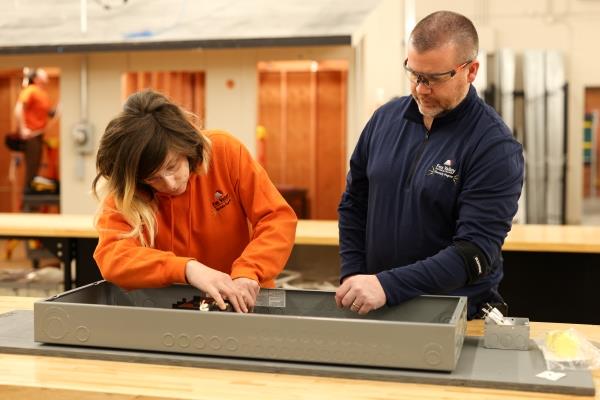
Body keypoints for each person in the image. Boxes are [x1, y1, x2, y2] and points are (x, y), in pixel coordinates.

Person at [335, 11, 524, 319]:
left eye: (435, 79)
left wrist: (387, 284)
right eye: (414, 74)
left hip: (451, 314)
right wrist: (354, 275)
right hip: (377, 305)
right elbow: (354, 204)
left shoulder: (494, 146)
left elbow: (473, 253)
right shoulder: (384, 120)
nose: (421, 89)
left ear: (471, 70)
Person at [92, 90, 297, 313]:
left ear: (186, 146)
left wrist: (250, 270)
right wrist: (187, 269)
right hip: (173, 310)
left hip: (245, 302)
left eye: (172, 166)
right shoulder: (130, 187)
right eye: (153, 177)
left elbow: (276, 218)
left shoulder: (224, 151)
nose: (169, 184)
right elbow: (113, 256)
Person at [14, 67, 57, 192]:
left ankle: (31, 198)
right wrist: (23, 129)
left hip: (39, 136)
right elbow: (18, 109)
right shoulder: (30, 90)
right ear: (36, 78)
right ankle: (29, 202)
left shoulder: (43, 93)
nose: (46, 76)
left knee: (36, 167)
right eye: (43, 74)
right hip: (31, 136)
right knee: (31, 169)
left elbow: (49, 113)